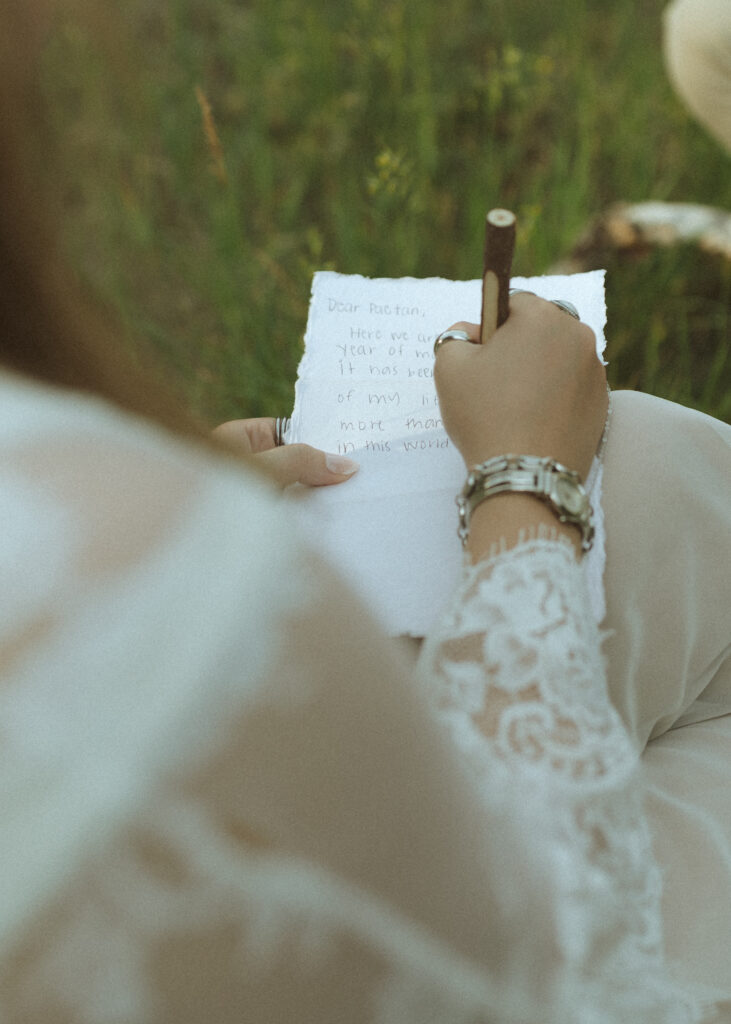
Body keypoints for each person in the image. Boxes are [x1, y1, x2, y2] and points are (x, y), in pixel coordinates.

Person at [1, 4, 730, 1023]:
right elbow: (538, 957)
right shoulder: (146, 585)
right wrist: (524, 482)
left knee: (646, 465)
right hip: (531, 955)